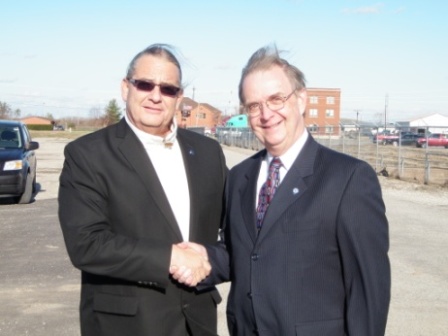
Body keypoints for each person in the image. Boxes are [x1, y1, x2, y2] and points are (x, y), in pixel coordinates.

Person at [173, 45, 391, 335]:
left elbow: (368, 288)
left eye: (276, 99)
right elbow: (245, 253)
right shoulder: (240, 178)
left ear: (301, 100)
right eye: (253, 106)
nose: (266, 114)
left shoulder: (348, 178)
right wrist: (203, 257)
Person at [58, 44, 227, 336]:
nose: (155, 96)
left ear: (179, 98)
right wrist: (170, 257)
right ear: (126, 88)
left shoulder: (209, 152)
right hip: (126, 325)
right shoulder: (87, 154)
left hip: (198, 322)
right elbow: (86, 244)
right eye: (145, 84)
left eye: (168, 89)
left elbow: (237, 230)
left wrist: (210, 259)